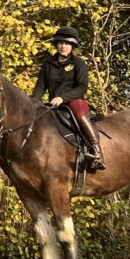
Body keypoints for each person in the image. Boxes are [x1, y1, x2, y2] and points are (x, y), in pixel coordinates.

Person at [31, 26, 103, 171]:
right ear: (56, 44)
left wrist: (62, 98)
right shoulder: (48, 64)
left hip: (74, 101)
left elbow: (82, 87)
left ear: (72, 46)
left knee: (79, 113)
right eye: (60, 43)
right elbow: (40, 86)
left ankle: (96, 151)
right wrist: (34, 102)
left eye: (67, 43)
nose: (63, 46)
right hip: (53, 104)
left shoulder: (78, 64)